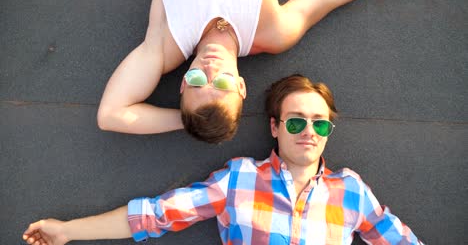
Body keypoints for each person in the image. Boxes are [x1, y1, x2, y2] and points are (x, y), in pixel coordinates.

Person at [23, 74, 424, 245]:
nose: (308, 131)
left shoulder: (351, 191)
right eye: (297, 120)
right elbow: (156, 214)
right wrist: (67, 231)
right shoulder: (240, 180)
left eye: (320, 124)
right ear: (274, 126)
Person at [96, 0, 378, 143]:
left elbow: (110, 114)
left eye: (197, 81)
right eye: (221, 83)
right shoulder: (273, 32)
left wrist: (189, 122)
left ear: (183, 82)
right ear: (241, 86)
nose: (210, 69)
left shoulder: (164, 42)